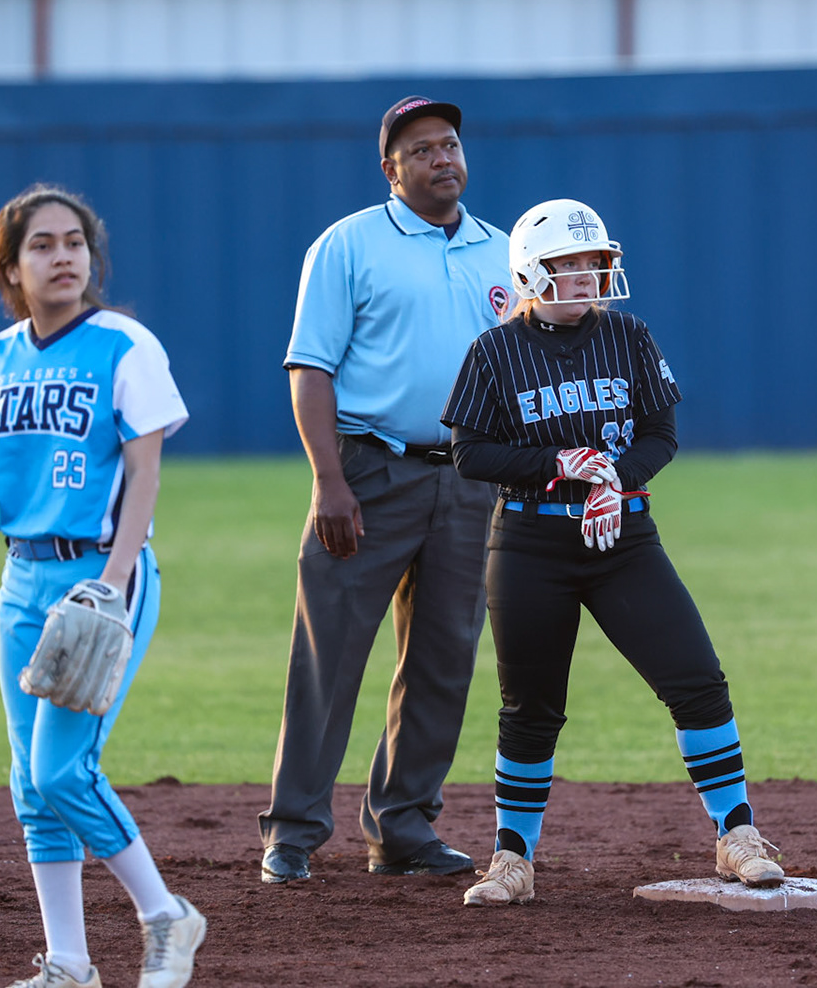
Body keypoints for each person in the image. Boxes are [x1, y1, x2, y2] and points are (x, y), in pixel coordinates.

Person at [440, 198, 786, 906]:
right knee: (530, 705)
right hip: (531, 539)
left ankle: (738, 833)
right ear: (533, 273)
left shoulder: (628, 334)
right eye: (570, 265)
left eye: (595, 263)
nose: (589, 276)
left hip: (622, 537)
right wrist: (559, 464)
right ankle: (512, 858)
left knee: (695, 678)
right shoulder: (494, 351)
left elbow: (661, 434)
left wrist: (612, 482)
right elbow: (468, 451)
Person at [0, 185, 203, 988]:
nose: (63, 255)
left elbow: (145, 474)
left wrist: (111, 581)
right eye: (41, 244)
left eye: (74, 241)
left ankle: (167, 918)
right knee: (30, 784)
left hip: (99, 572)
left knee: (64, 772)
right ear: (11, 267)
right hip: (21, 579)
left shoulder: (124, 344)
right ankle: (70, 963)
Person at [260, 95, 510, 884]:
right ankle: (292, 832)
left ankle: (402, 824)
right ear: (391, 169)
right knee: (329, 656)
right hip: (368, 469)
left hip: (470, 476)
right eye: (423, 148)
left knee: (444, 658)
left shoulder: (502, 252)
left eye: (451, 143)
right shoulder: (349, 245)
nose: (444, 157)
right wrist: (328, 481)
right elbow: (311, 368)